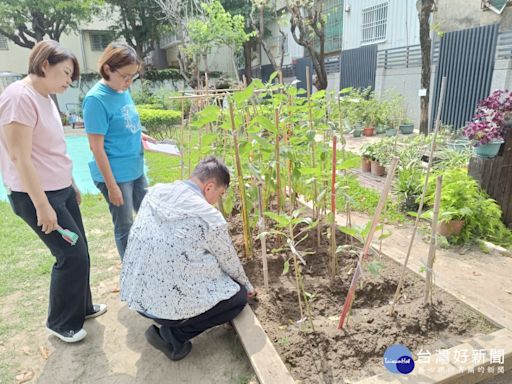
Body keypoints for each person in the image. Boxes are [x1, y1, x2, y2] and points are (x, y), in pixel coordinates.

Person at [0, 40, 106, 343]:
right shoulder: (19, 98)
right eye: (65, 72)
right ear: (45, 64)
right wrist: (42, 206)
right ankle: (60, 323)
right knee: (71, 256)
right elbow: (20, 157)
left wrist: (70, 182)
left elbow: (50, 150)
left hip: (59, 189)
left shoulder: (44, 95)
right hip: (35, 195)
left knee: (81, 249)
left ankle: (82, 307)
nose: (68, 81)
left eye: (71, 75)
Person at [120, 156, 255, 361]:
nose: (217, 200)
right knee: (237, 298)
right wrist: (247, 286)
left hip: (137, 297)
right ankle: (172, 336)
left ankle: (172, 321)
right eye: (220, 194)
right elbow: (228, 260)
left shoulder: (155, 193)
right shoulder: (207, 216)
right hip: (164, 309)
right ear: (209, 187)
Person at [83, 42, 154, 260]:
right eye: (125, 76)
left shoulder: (121, 90)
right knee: (125, 226)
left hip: (134, 168)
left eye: (133, 76)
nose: (129, 82)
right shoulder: (96, 100)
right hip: (116, 175)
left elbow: (122, 123)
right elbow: (96, 147)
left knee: (149, 215)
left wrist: (139, 136)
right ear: (107, 69)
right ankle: (132, 273)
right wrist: (112, 186)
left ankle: (149, 261)